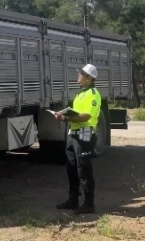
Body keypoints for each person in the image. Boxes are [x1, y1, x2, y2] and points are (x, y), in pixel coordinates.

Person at [53, 63, 101, 215]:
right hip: (73, 134)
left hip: (85, 133)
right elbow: (77, 113)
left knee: (84, 168)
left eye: (81, 74)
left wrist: (65, 117)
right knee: (71, 167)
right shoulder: (80, 93)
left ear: (89, 78)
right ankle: (73, 199)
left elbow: (86, 116)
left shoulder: (93, 94)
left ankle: (89, 203)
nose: (78, 76)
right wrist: (64, 114)